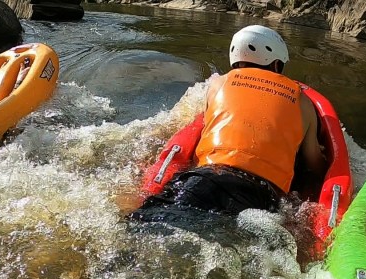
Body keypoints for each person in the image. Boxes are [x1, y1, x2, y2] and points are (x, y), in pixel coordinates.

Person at [134, 25, 327, 217]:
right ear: (277, 65)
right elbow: (314, 162)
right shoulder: (303, 101)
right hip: (259, 195)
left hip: (204, 178)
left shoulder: (217, 84)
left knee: (147, 219)